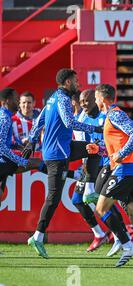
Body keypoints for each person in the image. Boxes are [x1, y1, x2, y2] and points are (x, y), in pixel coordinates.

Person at [26, 69, 103, 259]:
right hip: (58, 154)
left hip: (62, 149)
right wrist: (95, 128)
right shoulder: (62, 100)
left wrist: (31, 141)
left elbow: (39, 121)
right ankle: (37, 235)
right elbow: (69, 123)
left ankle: (88, 189)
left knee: (93, 149)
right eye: (76, 81)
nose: (79, 84)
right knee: (53, 197)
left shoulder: (52, 99)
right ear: (68, 82)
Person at [88, 84, 133, 268]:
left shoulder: (114, 114)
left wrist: (122, 154)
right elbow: (118, 144)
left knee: (101, 208)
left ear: (102, 98)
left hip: (124, 168)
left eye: (96, 98)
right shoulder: (111, 115)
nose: (95, 101)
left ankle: (127, 244)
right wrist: (100, 149)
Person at [71, 89, 110, 252]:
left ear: (95, 100)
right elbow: (81, 143)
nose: (83, 105)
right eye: (81, 102)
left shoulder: (105, 116)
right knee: (79, 200)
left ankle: (121, 235)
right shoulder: (81, 118)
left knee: (100, 200)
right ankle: (102, 234)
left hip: (104, 164)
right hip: (89, 165)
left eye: (86, 101)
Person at [0, 88, 43, 207]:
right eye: (16, 99)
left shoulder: (4, 115)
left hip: (3, 161)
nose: (19, 102)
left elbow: (5, 143)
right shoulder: (5, 118)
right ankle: (71, 174)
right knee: (36, 162)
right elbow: (2, 147)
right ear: (8, 101)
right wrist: (21, 160)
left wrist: (17, 146)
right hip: (2, 162)